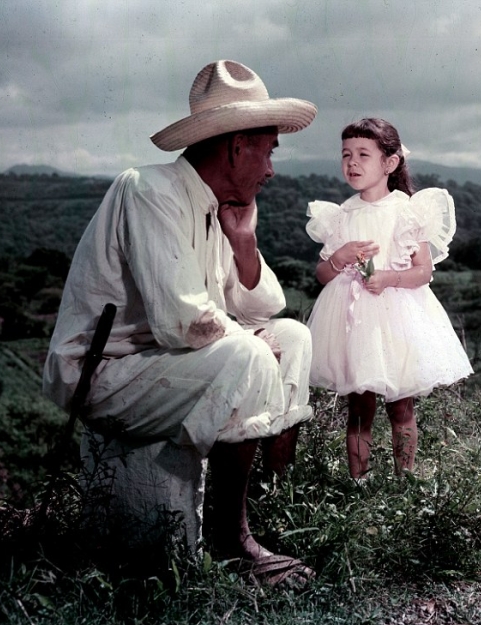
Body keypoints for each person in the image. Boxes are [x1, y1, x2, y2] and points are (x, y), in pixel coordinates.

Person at [43, 60, 317, 585]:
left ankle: (267, 510)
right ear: (238, 147)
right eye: (268, 150)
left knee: (292, 337)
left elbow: (266, 306)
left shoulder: (215, 210)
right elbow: (182, 323)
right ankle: (230, 543)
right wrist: (253, 346)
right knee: (249, 353)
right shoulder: (150, 191)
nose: (271, 168)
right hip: (105, 375)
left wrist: (243, 241)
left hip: (160, 366)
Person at [305, 118, 473, 479]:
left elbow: (424, 271)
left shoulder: (407, 210)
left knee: (401, 405)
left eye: (364, 154)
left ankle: (405, 477)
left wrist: (388, 278)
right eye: (346, 154)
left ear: (390, 163)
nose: (352, 162)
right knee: (359, 407)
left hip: (398, 315)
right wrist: (341, 256)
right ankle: (359, 480)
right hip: (353, 320)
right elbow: (321, 275)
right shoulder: (342, 214)